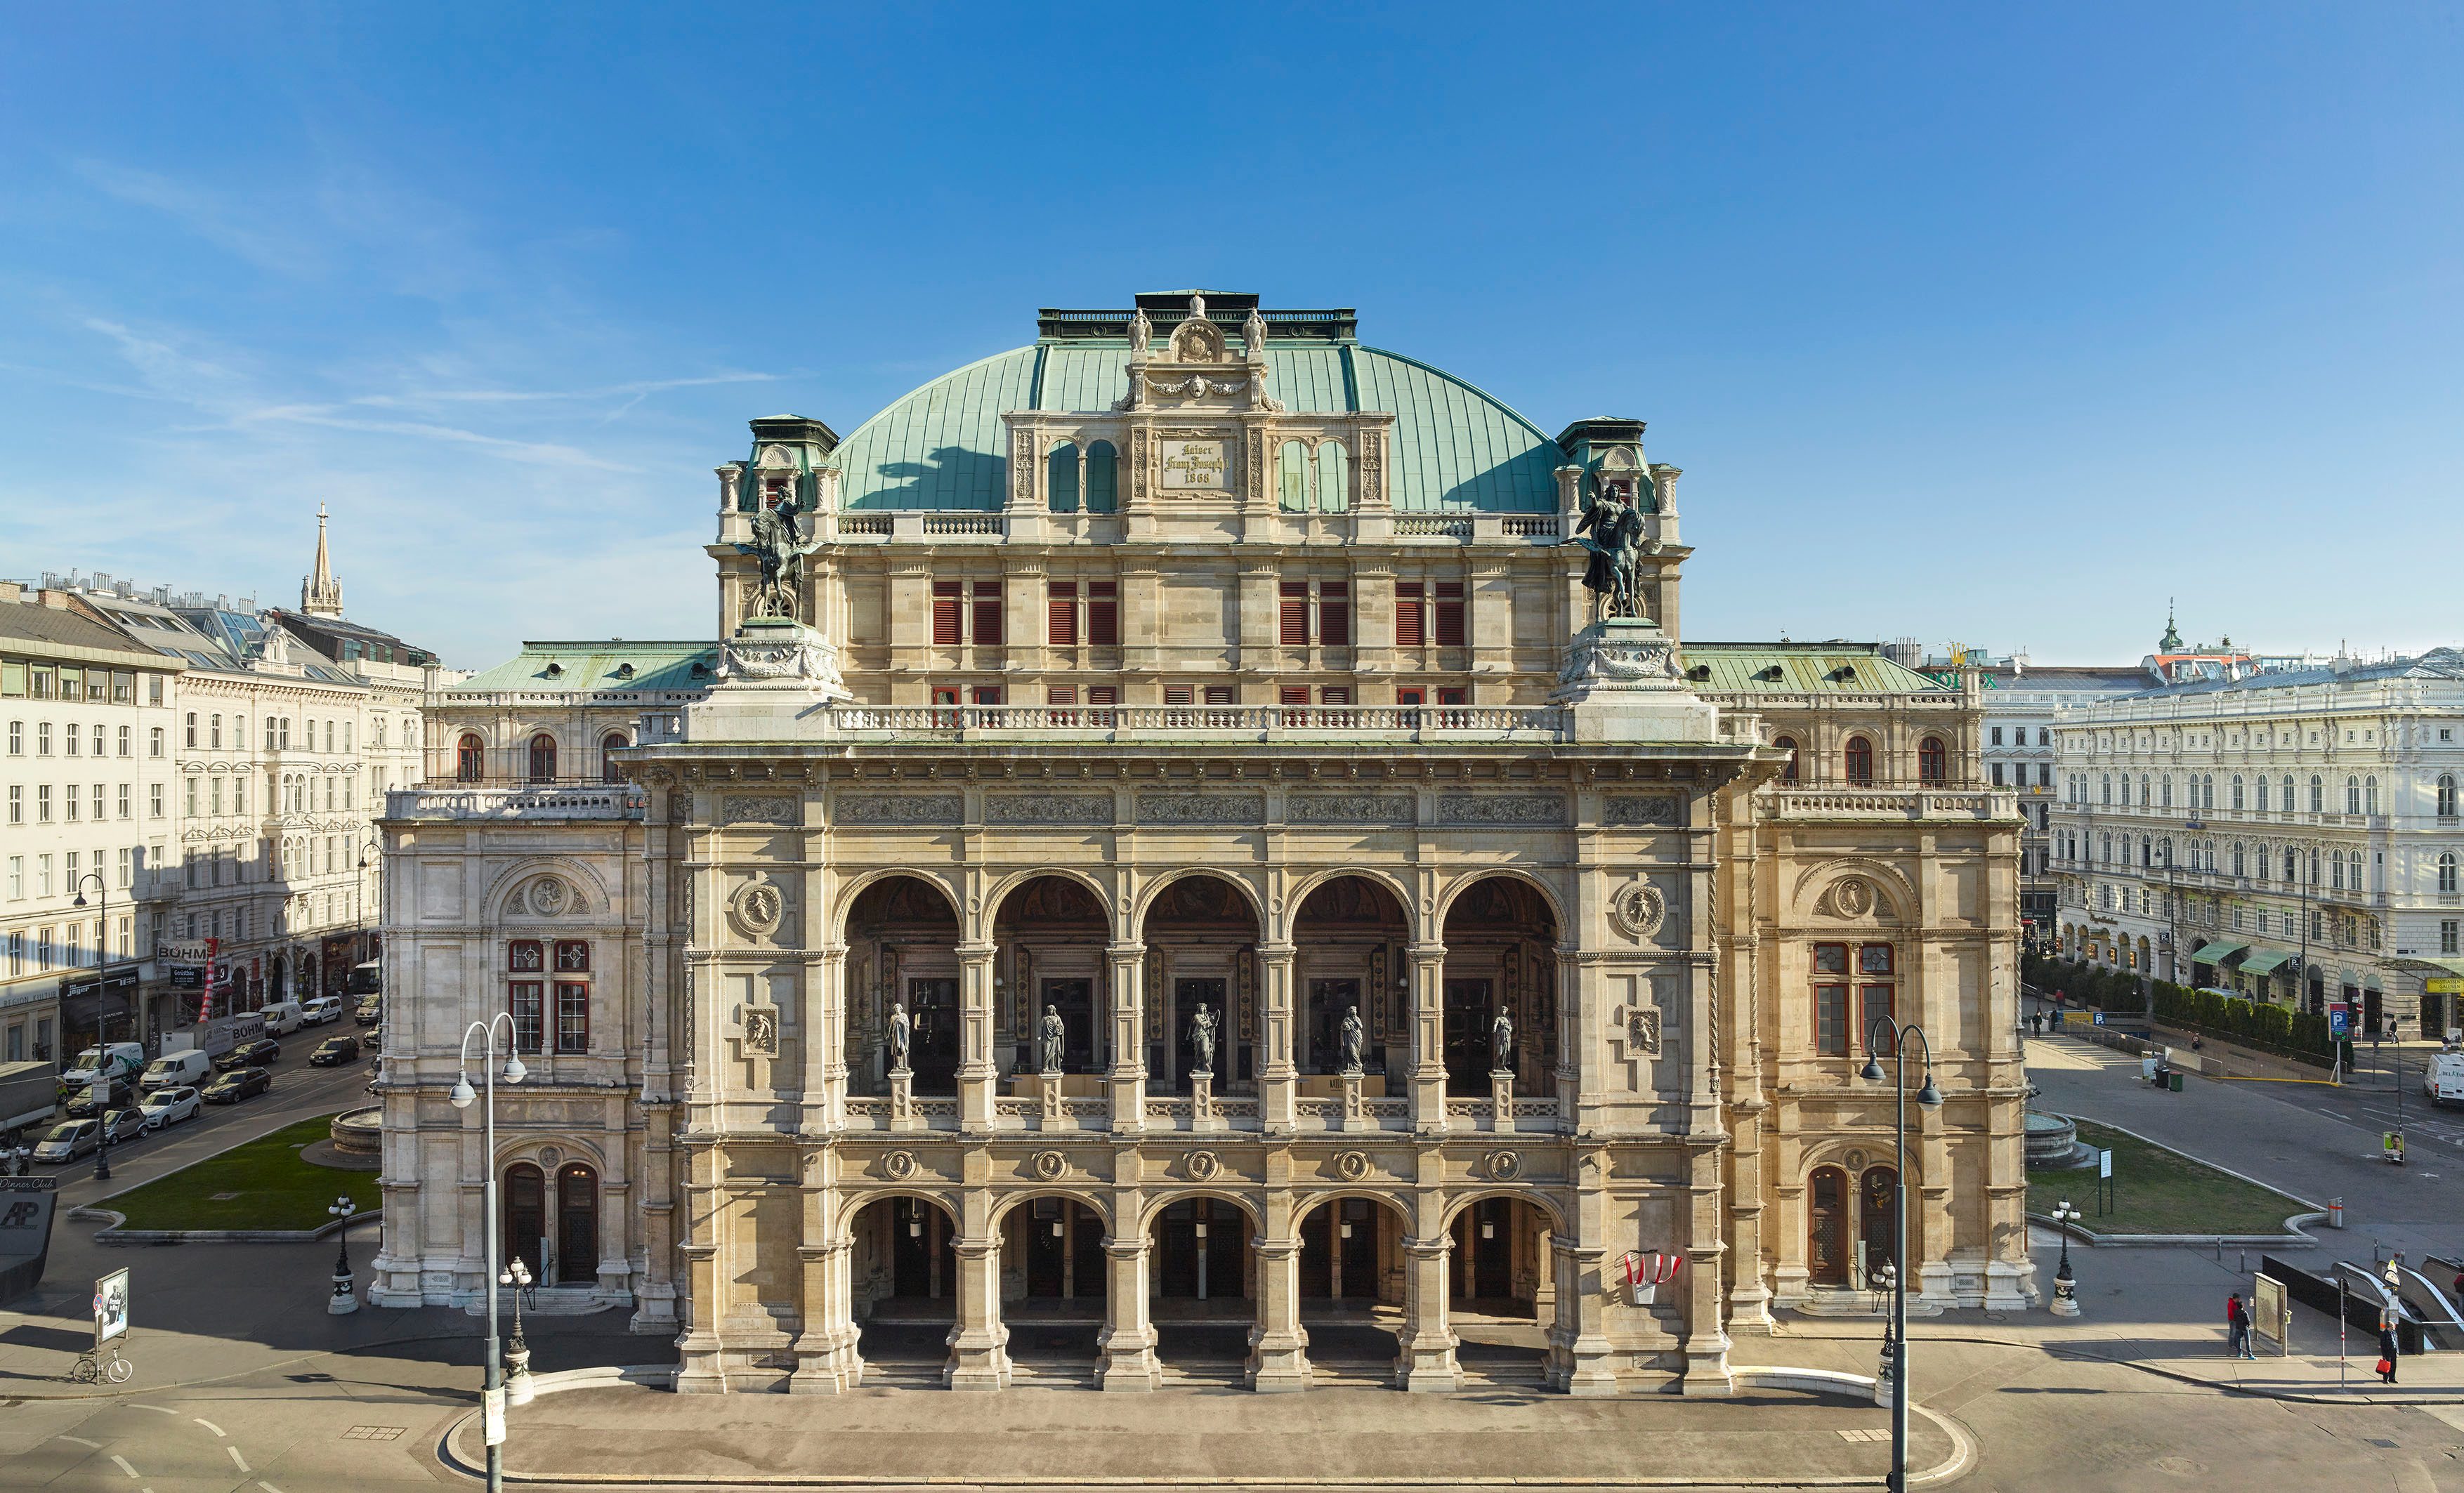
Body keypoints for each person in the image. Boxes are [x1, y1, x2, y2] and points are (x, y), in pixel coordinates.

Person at [2226, 1292, 2253, 1359]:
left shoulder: (2233, 1303)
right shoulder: (2232, 1304)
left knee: (2236, 1334)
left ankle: (2238, 1350)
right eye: (2238, 1298)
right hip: (2233, 1321)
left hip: (2235, 1321)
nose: (2239, 1300)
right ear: (2235, 1298)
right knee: (2233, 1332)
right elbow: (2248, 1321)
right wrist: (2235, 1319)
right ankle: (2231, 1344)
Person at [2378, 1317, 2400, 1384]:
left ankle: (2392, 1378)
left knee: (2393, 1365)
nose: (2394, 1327)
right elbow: (2383, 1345)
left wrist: (2397, 1352)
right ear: (2390, 1327)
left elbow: (2396, 1343)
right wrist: (2384, 1355)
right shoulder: (2384, 1334)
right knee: (2387, 1366)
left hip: (2394, 1351)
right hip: (2388, 1352)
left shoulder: (2394, 1333)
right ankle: (2386, 1379)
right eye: (2393, 1326)